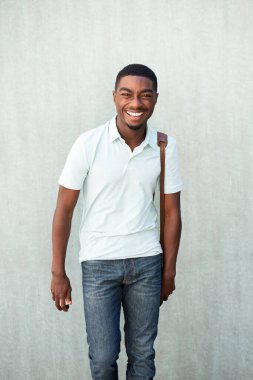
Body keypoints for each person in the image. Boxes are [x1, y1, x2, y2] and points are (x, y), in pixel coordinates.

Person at [51, 63, 182, 380]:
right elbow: (64, 209)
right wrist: (58, 271)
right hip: (98, 264)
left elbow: (171, 213)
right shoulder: (88, 143)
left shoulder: (164, 147)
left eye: (145, 95)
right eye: (127, 94)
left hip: (147, 264)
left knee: (142, 356)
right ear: (114, 97)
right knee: (103, 358)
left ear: (155, 99)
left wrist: (168, 271)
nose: (136, 104)